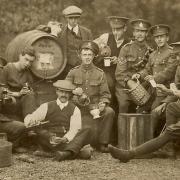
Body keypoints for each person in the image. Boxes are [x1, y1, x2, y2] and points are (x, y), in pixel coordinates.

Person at [66, 41, 115, 153]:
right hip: (78, 106)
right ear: (80, 56)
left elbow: (105, 94)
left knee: (109, 111)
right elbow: (64, 90)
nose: (87, 57)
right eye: (85, 55)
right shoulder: (73, 72)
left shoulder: (100, 73)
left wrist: (103, 103)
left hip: (95, 107)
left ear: (94, 56)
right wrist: (73, 91)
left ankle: (103, 143)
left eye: (89, 55)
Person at [24, 79, 91, 161]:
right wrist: (31, 121)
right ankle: (72, 152)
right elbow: (30, 119)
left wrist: (65, 139)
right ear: (57, 92)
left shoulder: (75, 109)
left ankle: (65, 153)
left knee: (86, 129)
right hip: (49, 139)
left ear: (70, 94)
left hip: (65, 141)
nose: (64, 95)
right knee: (38, 129)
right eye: (61, 92)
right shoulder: (47, 106)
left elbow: (74, 129)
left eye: (66, 93)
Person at [132, 24, 178, 135]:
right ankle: (138, 140)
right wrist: (139, 74)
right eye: (157, 37)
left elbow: (168, 72)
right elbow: (147, 69)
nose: (159, 39)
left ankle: (150, 142)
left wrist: (154, 78)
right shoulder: (153, 55)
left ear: (167, 38)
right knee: (139, 110)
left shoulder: (173, 53)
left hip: (165, 93)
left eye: (162, 36)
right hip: (152, 92)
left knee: (153, 111)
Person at [115, 19, 152, 113]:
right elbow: (119, 73)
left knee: (146, 106)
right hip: (125, 86)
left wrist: (141, 83)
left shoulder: (150, 51)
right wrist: (129, 82)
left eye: (142, 31)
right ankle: (123, 128)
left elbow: (149, 70)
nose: (139, 34)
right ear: (133, 32)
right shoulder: (126, 49)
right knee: (124, 105)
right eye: (137, 31)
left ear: (146, 33)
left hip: (142, 85)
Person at [0, 46, 37, 121]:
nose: (28, 63)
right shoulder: (8, 68)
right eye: (26, 59)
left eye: (31, 61)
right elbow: (2, 91)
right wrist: (18, 94)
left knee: (30, 95)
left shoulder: (28, 73)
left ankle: (30, 123)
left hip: (21, 102)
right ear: (20, 56)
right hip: (9, 101)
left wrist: (28, 90)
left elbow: (30, 90)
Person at [59, 5, 93, 78]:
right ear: (66, 18)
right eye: (71, 18)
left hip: (83, 69)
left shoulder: (87, 32)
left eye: (76, 18)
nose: (74, 20)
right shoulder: (60, 32)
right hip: (65, 70)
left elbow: (92, 51)